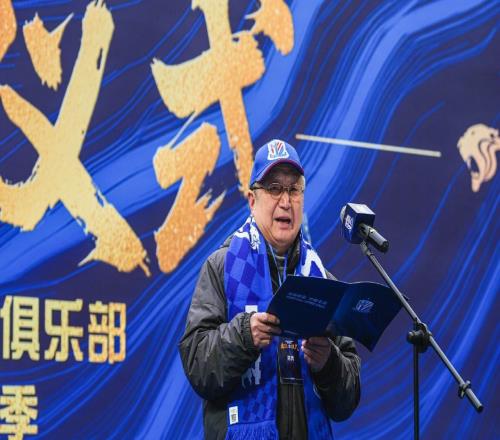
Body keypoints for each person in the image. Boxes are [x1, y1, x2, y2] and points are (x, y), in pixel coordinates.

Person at [179, 139, 361, 439]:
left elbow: (347, 401)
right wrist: (243, 336)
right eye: (275, 189)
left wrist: (328, 363)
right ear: (252, 200)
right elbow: (198, 367)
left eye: (294, 190)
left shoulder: (322, 281)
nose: (286, 201)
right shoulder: (222, 267)